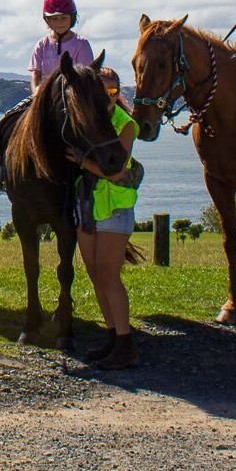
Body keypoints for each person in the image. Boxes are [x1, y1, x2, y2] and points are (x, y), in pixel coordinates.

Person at [70, 67, 140, 370]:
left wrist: (82, 161)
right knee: (96, 275)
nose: (107, 98)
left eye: (112, 92)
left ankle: (125, 343)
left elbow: (117, 171)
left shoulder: (125, 124)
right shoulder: (88, 122)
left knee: (109, 277)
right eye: (101, 92)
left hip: (114, 208)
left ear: (118, 93)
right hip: (87, 207)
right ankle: (112, 337)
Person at [28, 0, 94, 94]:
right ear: (47, 20)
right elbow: (36, 73)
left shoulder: (81, 44)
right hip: (44, 95)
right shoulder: (42, 44)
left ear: (72, 18)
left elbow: (86, 76)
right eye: (54, 18)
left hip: (73, 94)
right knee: (16, 110)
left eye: (63, 18)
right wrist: (36, 90)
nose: (59, 22)